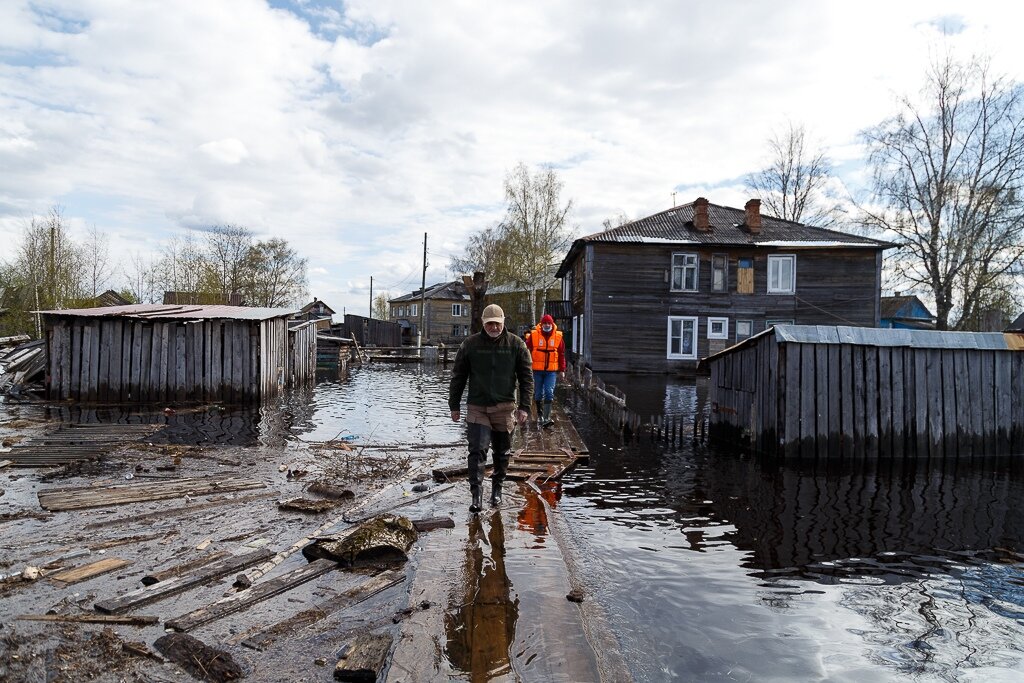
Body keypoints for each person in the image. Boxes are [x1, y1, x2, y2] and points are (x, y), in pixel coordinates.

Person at [449, 303, 533, 512]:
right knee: (477, 450)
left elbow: (526, 378)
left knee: (502, 452)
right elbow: (458, 376)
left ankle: (497, 489)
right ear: (483, 324)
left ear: (503, 323)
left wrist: (524, 407)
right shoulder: (470, 345)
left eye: (497, 324)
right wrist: (454, 405)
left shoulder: (516, 345)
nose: (493, 327)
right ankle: (476, 494)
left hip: (504, 408)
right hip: (477, 407)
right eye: (489, 324)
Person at [524, 314, 566, 429]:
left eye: (549, 323)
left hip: (551, 372)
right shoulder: (533, 336)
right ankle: (540, 414)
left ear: (552, 324)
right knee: (538, 393)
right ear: (541, 324)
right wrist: (525, 366)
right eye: (545, 323)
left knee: (549, 392)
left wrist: (562, 370)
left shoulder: (558, 337)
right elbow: (525, 351)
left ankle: (547, 418)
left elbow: (562, 354)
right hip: (536, 370)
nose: (547, 325)